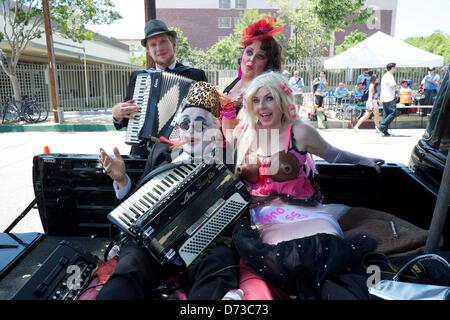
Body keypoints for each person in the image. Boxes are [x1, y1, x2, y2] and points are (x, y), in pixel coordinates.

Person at [231, 71, 382, 298]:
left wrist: (362, 160)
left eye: (269, 98)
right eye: (256, 100)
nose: (262, 106)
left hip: (305, 211)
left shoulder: (300, 132)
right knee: (285, 257)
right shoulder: (244, 133)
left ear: (283, 100)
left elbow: (334, 155)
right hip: (265, 215)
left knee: (324, 248)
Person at [96, 81, 237, 300]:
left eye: (200, 124)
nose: (191, 131)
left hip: (204, 243)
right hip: (151, 245)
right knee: (128, 267)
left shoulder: (229, 158)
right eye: (185, 124)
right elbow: (135, 206)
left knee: (219, 265)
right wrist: (122, 180)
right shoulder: (162, 152)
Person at [111, 19, 208, 158]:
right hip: (143, 153)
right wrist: (116, 114)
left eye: (163, 41)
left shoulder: (196, 75)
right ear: (149, 52)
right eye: (153, 45)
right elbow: (127, 118)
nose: (159, 48)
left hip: (181, 153)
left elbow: (206, 117)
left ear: (174, 45)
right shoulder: (139, 78)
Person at [219, 16, 283, 142]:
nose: (251, 59)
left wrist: (228, 109)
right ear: (242, 54)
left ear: (268, 64)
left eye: (259, 56)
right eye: (249, 52)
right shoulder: (235, 83)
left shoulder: (262, 94)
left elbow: (236, 139)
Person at [376, 62, 398, 137]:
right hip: (389, 97)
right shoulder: (389, 76)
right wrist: (397, 89)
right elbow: (394, 87)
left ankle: (384, 131)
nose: (395, 69)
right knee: (393, 113)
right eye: (395, 67)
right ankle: (381, 126)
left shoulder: (386, 75)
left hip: (385, 97)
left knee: (386, 114)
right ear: (392, 68)